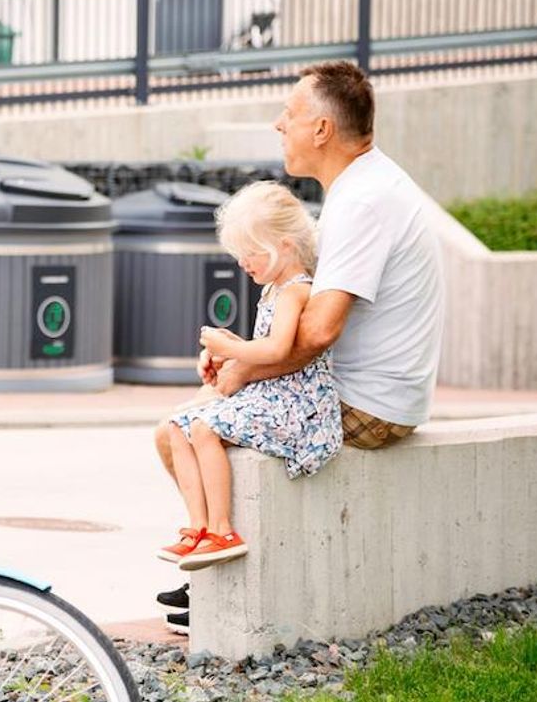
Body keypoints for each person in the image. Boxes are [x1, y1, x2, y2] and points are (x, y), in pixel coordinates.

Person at [154, 61, 445, 632]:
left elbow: (318, 332)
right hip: (363, 387)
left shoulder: (362, 201)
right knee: (186, 423)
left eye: (288, 114)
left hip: (368, 405)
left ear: (321, 130)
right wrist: (238, 359)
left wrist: (242, 370)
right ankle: (211, 568)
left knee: (182, 431)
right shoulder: (364, 187)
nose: (276, 124)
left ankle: (225, 583)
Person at [159, 182, 343, 575]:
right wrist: (230, 346)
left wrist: (232, 350)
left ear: (286, 245)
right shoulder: (274, 289)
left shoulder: (296, 290)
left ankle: (223, 530)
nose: (243, 263)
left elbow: (277, 350)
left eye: (251, 253)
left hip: (297, 406)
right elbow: (263, 347)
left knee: (205, 427)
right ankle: (198, 526)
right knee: (177, 427)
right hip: (271, 394)